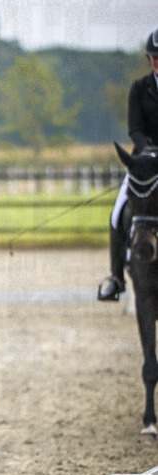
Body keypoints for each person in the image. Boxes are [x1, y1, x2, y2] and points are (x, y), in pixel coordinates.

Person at [98, 28, 158, 300]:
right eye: (154, 57)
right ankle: (116, 279)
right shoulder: (139, 88)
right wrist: (148, 152)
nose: (157, 61)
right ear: (149, 59)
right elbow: (135, 128)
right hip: (143, 165)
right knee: (116, 213)